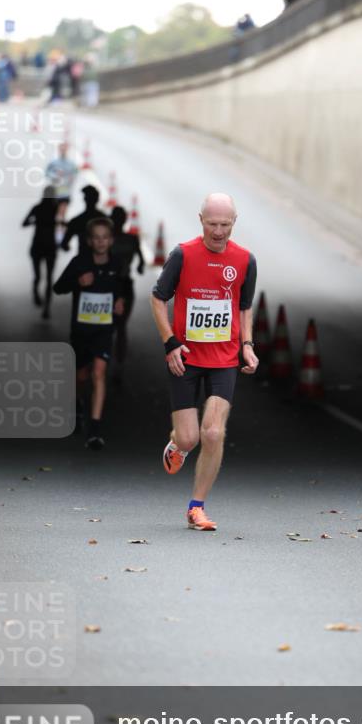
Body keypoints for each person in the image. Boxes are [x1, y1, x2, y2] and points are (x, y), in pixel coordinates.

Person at [150, 193, 258, 531]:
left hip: (224, 358)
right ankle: (178, 444)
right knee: (190, 438)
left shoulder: (245, 260)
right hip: (185, 358)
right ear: (201, 220)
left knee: (213, 432)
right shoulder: (182, 255)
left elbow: (244, 306)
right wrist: (170, 343)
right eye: (212, 224)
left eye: (225, 224)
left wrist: (247, 345)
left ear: (234, 222)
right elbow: (157, 298)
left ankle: (196, 507)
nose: (218, 231)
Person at [53, 218, 125, 450]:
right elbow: (58, 287)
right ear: (89, 241)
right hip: (81, 330)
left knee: (99, 373)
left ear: (111, 240)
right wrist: (78, 282)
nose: (101, 242)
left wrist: (120, 301)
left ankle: (95, 430)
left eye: (105, 237)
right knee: (81, 376)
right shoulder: (79, 262)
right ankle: (77, 406)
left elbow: (120, 288)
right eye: (96, 238)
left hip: (104, 329)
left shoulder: (117, 263)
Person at [110, 205, 145, 375]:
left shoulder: (106, 239)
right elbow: (141, 263)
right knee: (121, 326)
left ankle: (106, 361)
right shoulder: (132, 239)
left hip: (109, 286)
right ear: (125, 220)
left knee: (109, 327)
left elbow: (141, 262)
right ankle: (118, 364)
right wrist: (137, 266)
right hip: (124, 286)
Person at [22, 185, 59, 319]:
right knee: (49, 278)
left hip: (37, 245)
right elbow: (61, 224)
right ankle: (46, 308)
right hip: (50, 246)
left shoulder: (37, 208)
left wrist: (36, 221)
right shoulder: (56, 209)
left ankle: (36, 294)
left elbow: (24, 223)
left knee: (38, 276)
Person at [60, 184, 101, 254]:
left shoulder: (77, 220)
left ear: (84, 199)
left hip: (83, 257)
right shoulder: (105, 220)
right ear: (97, 199)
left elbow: (64, 245)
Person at [45, 141, 78, 216]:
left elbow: (75, 174)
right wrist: (55, 176)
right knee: (54, 213)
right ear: (59, 150)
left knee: (62, 212)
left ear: (67, 150)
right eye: (61, 149)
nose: (63, 151)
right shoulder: (53, 163)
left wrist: (71, 178)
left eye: (64, 149)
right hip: (55, 191)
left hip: (65, 192)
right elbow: (47, 173)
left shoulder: (71, 164)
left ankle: (61, 221)